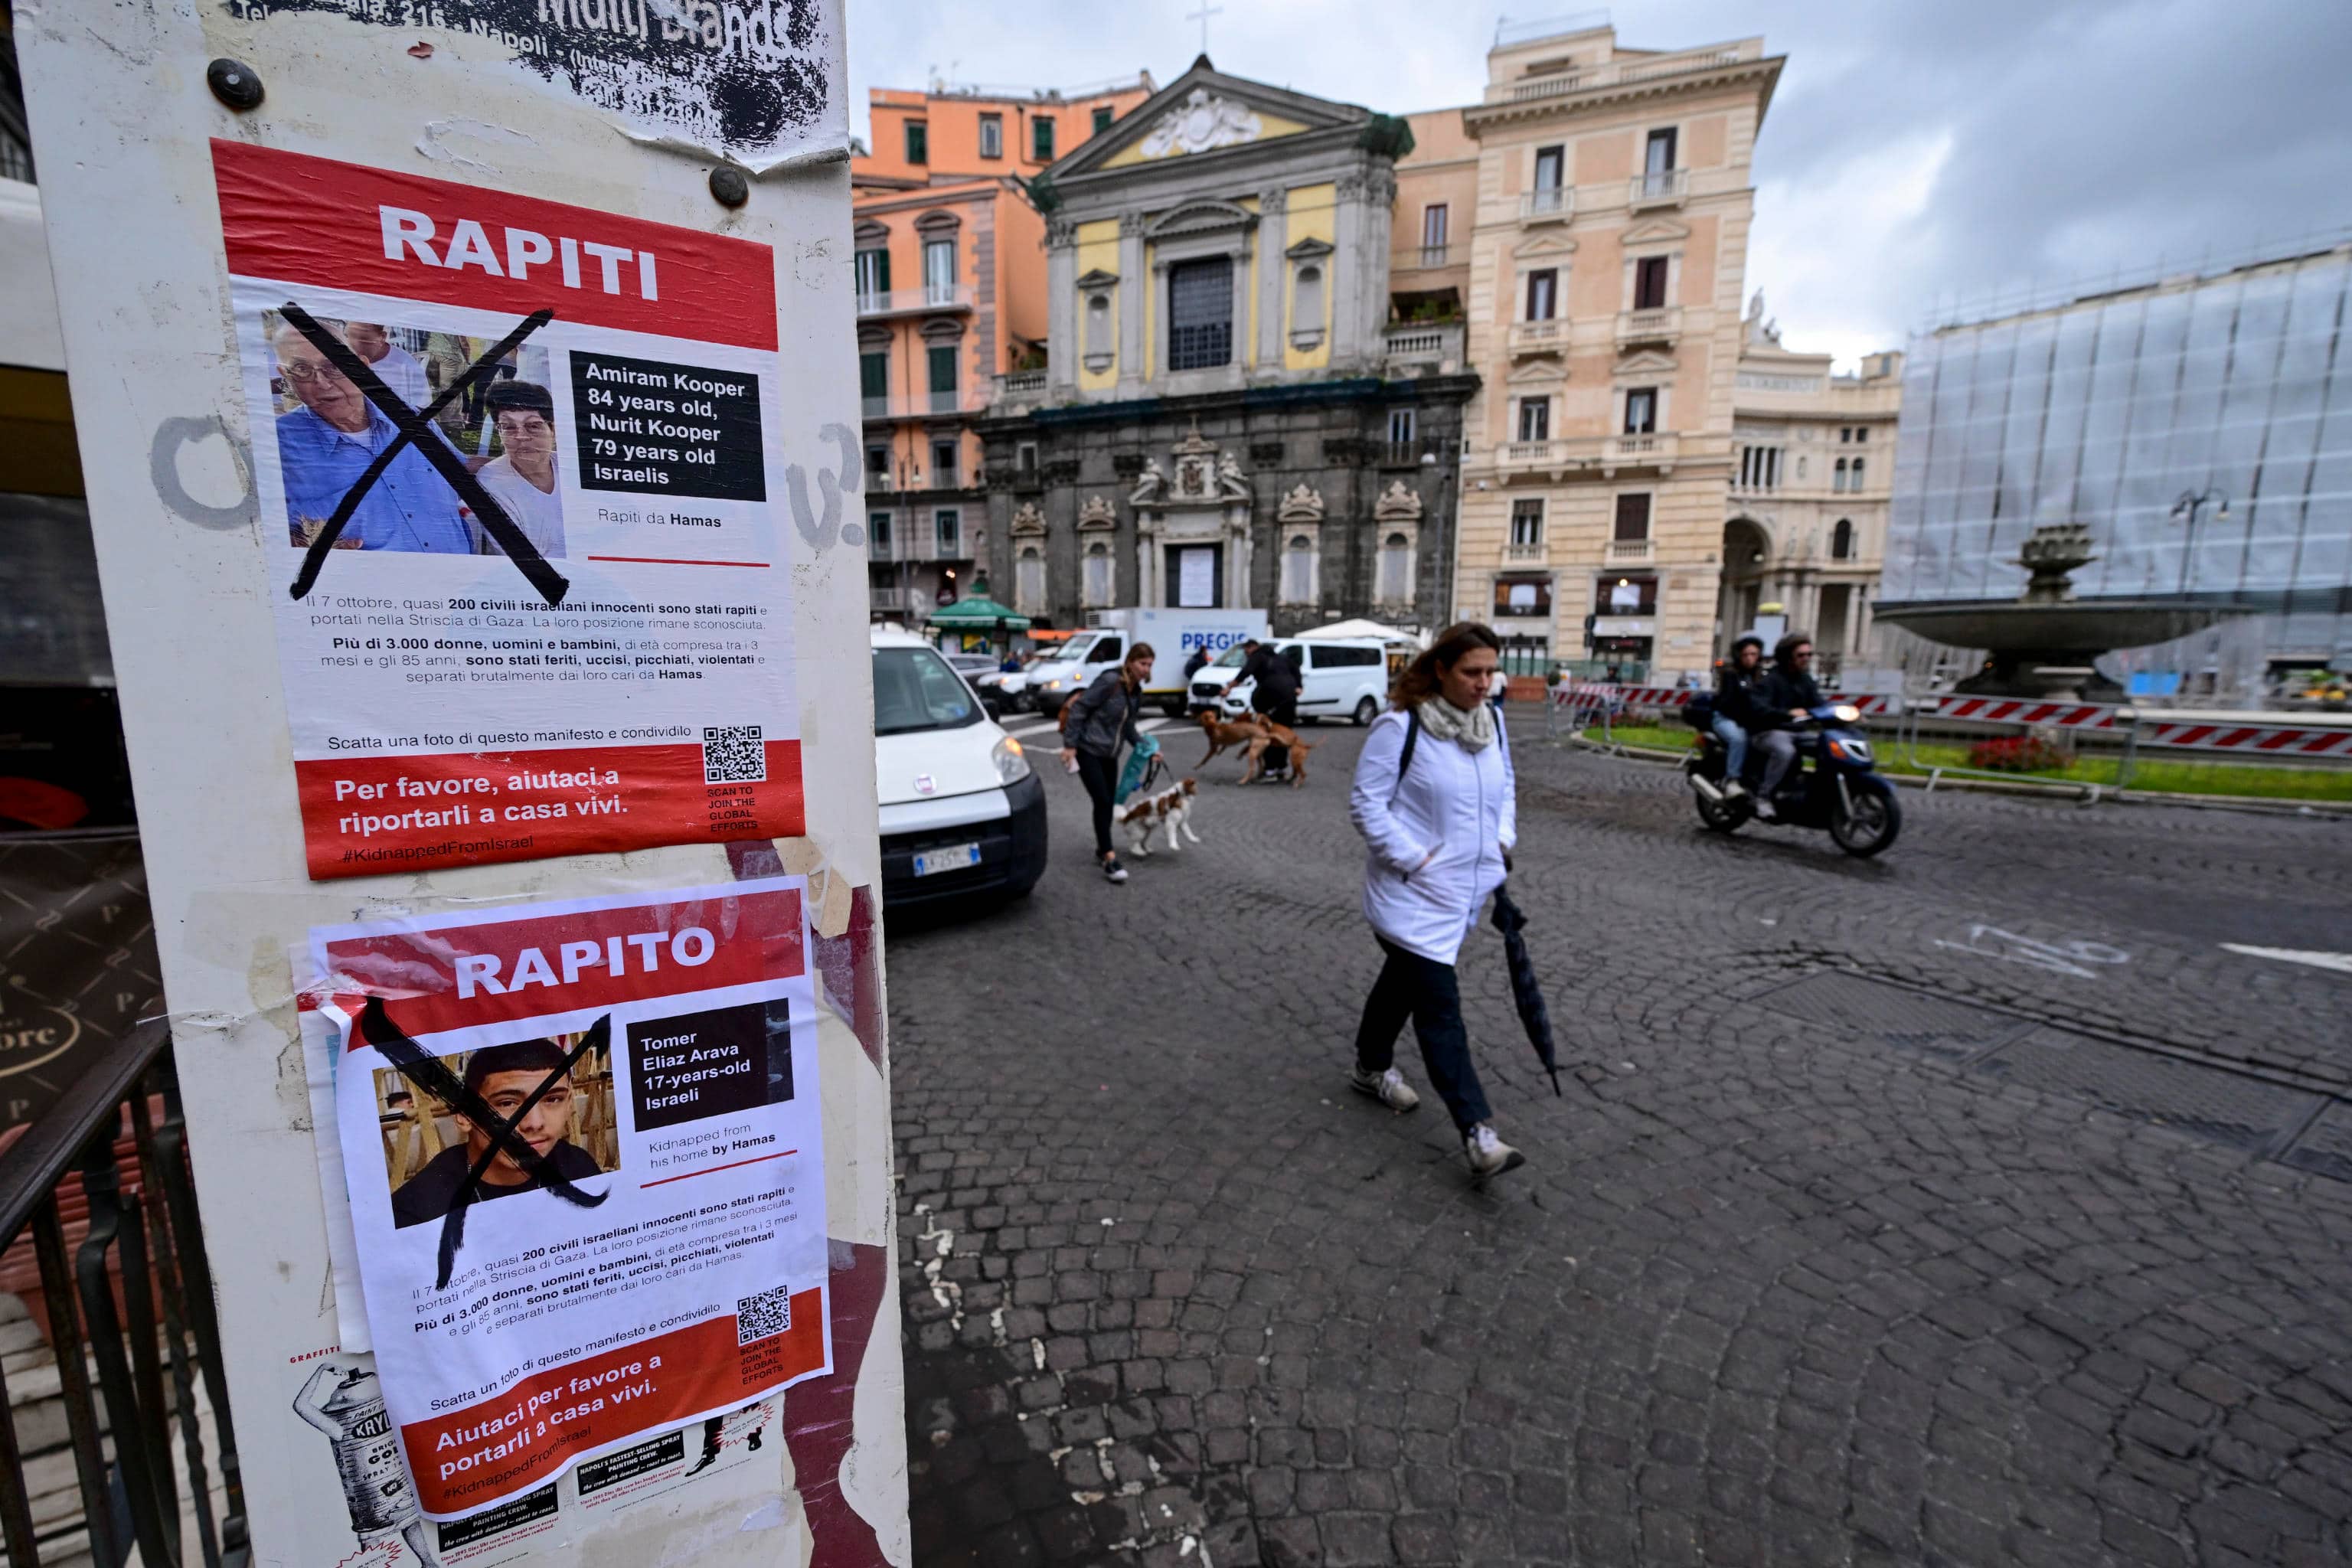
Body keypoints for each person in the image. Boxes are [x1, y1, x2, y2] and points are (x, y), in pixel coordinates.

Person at [1347, 622, 1524, 1178]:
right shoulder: (1399, 728)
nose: (1484, 683)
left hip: (1465, 894)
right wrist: (1417, 862)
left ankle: (1370, 1066)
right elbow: (1367, 805)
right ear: (1441, 669)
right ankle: (1477, 1132)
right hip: (1410, 895)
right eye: (1472, 672)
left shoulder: (1491, 722)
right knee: (1438, 1005)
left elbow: (1506, 790)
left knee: (1403, 980)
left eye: (1491, 671)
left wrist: (1501, 841)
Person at [273, 323, 475, 555]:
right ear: (285, 375)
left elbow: (459, 468)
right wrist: (299, 544)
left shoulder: (411, 419)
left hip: (461, 583)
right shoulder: (277, 446)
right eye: (301, 369)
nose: (323, 383)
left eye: (334, 365)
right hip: (370, 589)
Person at [390, 1038, 604, 1227]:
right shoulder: (417, 1211)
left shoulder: (579, 1167)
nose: (535, 1123)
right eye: (508, 1103)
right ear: (464, 1116)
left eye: (552, 1099)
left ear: (569, 1103)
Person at [1058, 642, 1155, 884]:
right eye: (1142, 664)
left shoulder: (1135, 692)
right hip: (1088, 749)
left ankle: (1102, 847)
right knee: (1101, 800)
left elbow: (1128, 726)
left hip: (1110, 755)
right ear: (1131, 662)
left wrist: (1146, 748)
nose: (1146, 669)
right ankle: (1109, 858)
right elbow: (1081, 708)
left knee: (1108, 802)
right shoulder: (1111, 682)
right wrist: (1070, 745)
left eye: (1150, 665)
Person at [470, 381, 567, 560]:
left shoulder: (571, 469)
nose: (521, 436)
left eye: (533, 426)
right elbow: (526, 561)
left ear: (552, 429)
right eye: (508, 427)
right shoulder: (492, 481)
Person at [1752, 632, 1824, 820]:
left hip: (1798, 732)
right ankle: (1764, 797)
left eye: (1809, 654)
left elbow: (1818, 703)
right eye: (1801, 655)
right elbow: (1760, 707)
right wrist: (1787, 714)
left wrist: (1844, 711)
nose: (1806, 659)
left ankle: (1818, 791)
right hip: (1768, 731)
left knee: (1827, 745)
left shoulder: (1806, 680)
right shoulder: (1770, 680)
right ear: (1788, 656)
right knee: (1784, 751)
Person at [1710, 635, 1770, 798]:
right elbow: (1728, 703)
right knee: (1739, 739)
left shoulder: (1762, 676)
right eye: (1746, 655)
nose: (1750, 658)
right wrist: (1745, 719)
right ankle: (1732, 780)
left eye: (1754, 654)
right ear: (1739, 656)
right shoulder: (1731, 675)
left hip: (1748, 720)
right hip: (1726, 718)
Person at [1235, 638, 1300, 782]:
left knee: (1266, 734)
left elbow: (1246, 671)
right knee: (1283, 733)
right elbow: (1296, 670)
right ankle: (1281, 769)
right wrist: (1299, 686)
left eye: (1246, 649)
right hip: (1289, 701)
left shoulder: (1257, 656)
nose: (1246, 653)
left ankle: (1270, 770)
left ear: (1253, 647)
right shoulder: (1283, 658)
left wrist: (1230, 687)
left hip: (1270, 701)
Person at [342, 322, 431, 411]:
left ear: (383, 337)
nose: (354, 345)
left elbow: (422, 407)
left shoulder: (406, 364)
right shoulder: (342, 358)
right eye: (348, 336)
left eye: (364, 339)